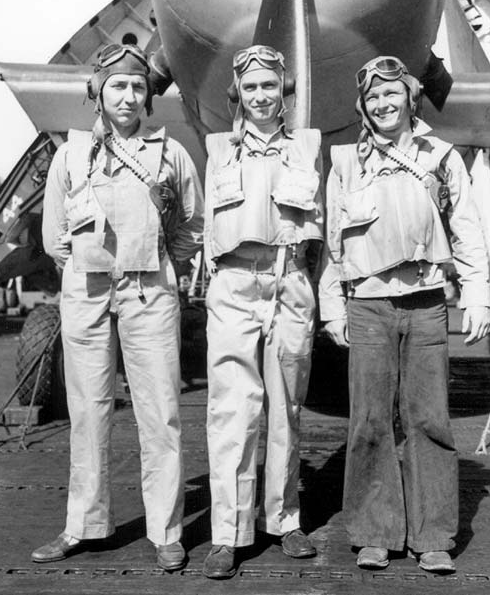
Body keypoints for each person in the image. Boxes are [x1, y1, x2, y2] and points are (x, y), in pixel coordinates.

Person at [32, 43, 204, 570]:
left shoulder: (169, 153)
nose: (128, 96)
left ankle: (167, 531)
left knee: (160, 414)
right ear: (97, 94)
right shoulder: (71, 155)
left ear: (148, 95)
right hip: (86, 293)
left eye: (137, 86)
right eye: (117, 86)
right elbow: (53, 238)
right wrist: (90, 271)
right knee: (87, 412)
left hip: (149, 292)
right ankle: (83, 525)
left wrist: (156, 268)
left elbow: (191, 228)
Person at [320, 56, 490, 574]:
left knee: (429, 419)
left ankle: (433, 535)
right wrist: (333, 305)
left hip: (426, 304)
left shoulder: (440, 157)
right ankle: (375, 532)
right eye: (373, 98)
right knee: (369, 419)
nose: (382, 104)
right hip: (367, 304)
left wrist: (478, 295)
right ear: (363, 106)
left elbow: (466, 229)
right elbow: (332, 243)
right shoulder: (346, 162)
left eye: (391, 94)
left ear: (409, 99)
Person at [202, 45, 324, 579]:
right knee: (233, 410)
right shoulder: (217, 149)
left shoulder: (308, 146)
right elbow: (206, 224)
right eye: (250, 87)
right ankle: (228, 533)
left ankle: (285, 517)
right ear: (238, 93)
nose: (260, 97)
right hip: (233, 282)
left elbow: (321, 223)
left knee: (286, 407)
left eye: (269, 86)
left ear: (283, 92)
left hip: (290, 278)